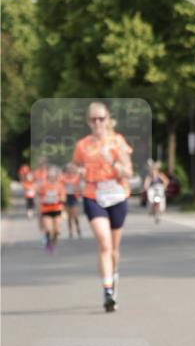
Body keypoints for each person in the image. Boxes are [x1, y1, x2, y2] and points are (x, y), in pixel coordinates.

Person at [72, 102, 133, 312]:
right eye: (93, 119)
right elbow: (76, 166)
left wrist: (113, 162)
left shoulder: (118, 141)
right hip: (93, 195)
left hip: (117, 195)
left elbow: (128, 173)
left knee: (114, 248)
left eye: (101, 118)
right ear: (88, 122)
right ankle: (108, 290)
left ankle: (114, 274)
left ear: (107, 119)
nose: (98, 122)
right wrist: (78, 172)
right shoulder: (82, 145)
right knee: (104, 244)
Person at [37, 165, 66, 253]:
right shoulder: (43, 185)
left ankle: (52, 244)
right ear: (48, 175)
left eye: (53, 175)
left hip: (57, 209)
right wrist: (43, 201)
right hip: (46, 210)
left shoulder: (60, 185)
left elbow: (64, 198)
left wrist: (58, 199)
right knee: (49, 229)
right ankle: (49, 244)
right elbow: (39, 198)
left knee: (56, 231)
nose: (52, 176)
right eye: (50, 175)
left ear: (56, 176)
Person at [62, 163, 83, 238]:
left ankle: (78, 228)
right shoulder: (63, 177)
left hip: (74, 197)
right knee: (69, 216)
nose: (69, 170)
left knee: (75, 215)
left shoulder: (76, 177)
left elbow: (80, 184)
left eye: (71, 168)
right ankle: (70, 231)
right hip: (66, 197)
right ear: (66, 170)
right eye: (68, 169)